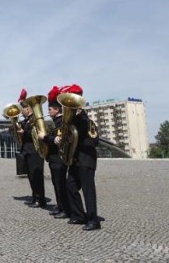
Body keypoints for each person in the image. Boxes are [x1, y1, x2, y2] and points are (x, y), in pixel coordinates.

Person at [57, 84, 101, 230]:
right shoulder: (71, 122)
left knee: (88, 190)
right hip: (75, 160)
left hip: (86, 160)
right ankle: (79, 215)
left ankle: (93, 220)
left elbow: (95, 141)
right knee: (70, 186)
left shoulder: (85, 121)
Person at [39, 86, 69, 219]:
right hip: (53, 158)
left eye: (50, 109)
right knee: (56, 184)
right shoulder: (55, 121)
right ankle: (60, 206)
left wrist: (44, 137)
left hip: (59, 158)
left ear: (57, 110)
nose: (48, 111)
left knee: (60, 184)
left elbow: (58, 140)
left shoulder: (61, 122)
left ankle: (65, 209)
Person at [16, 89, 46, 208]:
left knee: (37, 176)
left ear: (28, 109)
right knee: (31, 176)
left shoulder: (36, 119)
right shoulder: (26, 121)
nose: (21, 111)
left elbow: (38, 133)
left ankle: (41, 199)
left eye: (22, 109)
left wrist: (25, 132)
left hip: (35, 151)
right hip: (27, 151)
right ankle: (35, 197)